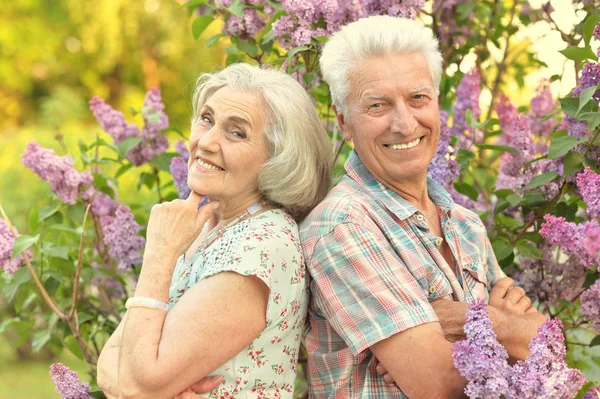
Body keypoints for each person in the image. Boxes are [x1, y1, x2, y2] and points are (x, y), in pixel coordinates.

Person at [299, 15, 547, 399]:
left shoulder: (466, 224)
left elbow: (548, 356)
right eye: (378, 105)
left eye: (418, 99)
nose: (404, 122)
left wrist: (474, 322)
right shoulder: (342, 224)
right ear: (345, 122)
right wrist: (513, 334)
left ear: (437, 103)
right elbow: (439, 383)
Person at [97, 63, 332, 399]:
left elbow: (135, 385)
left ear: (277, 159)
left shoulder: (261, 246)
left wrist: (160, 255)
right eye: (206, 119)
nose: (205, 142)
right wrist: (140, 382)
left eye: (236, 132)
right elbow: (111, 365)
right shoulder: (212, 226)